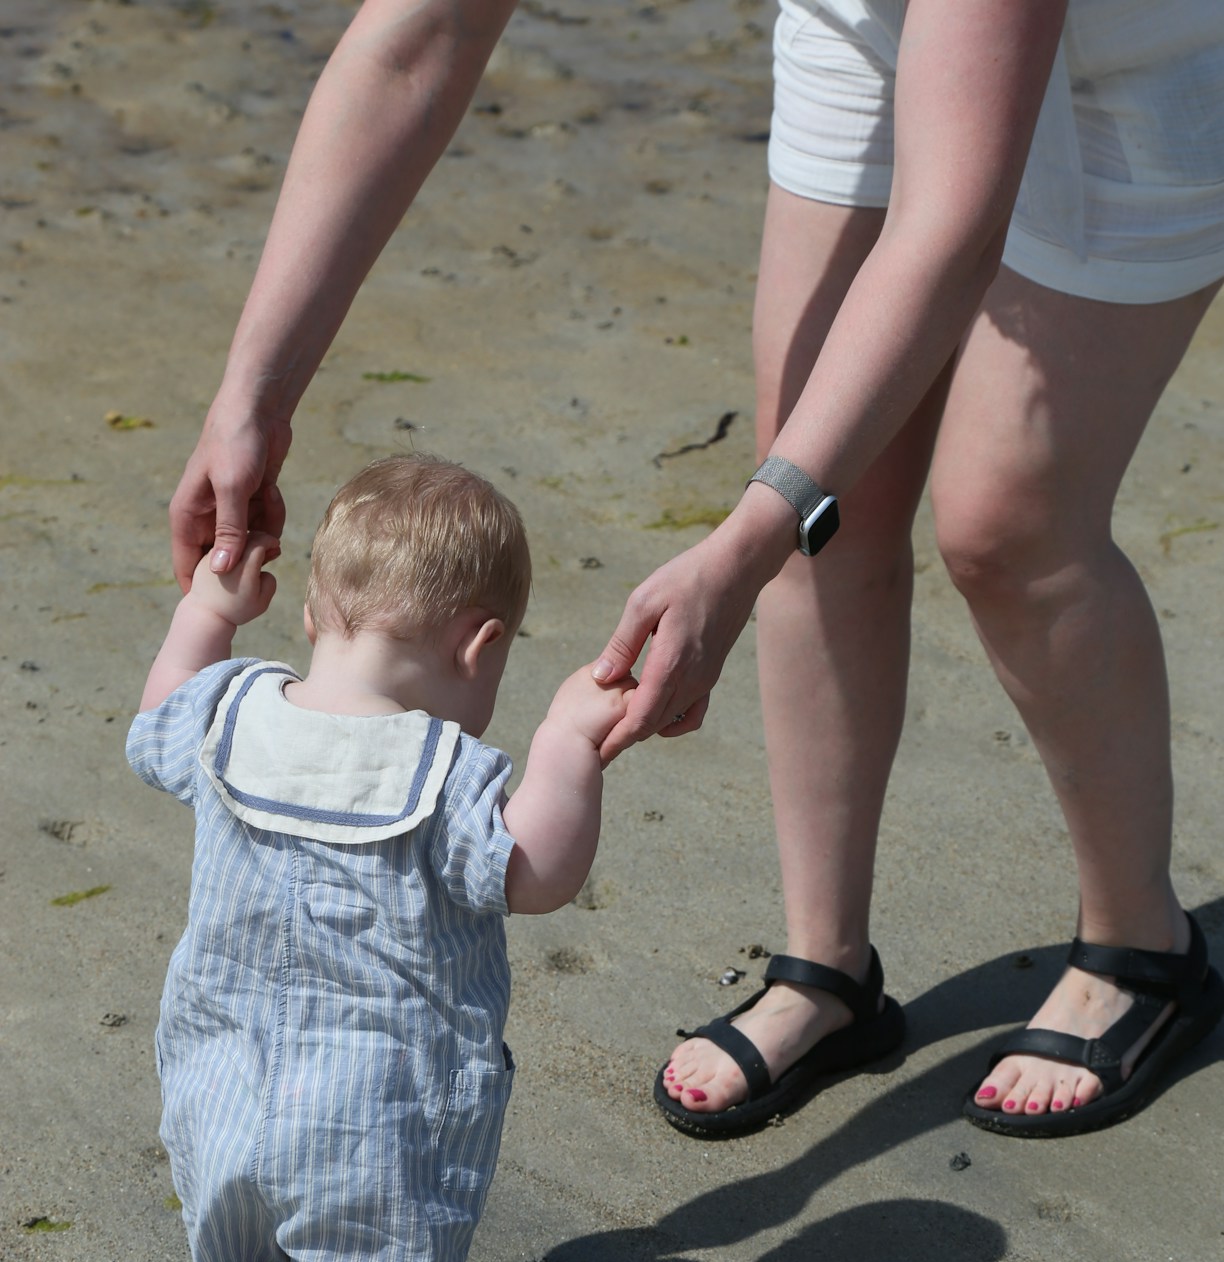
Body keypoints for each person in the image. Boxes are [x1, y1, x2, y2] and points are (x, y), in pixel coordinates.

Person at [169, 0, 1224, 1143]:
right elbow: (417, 38)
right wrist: (253, 391)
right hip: (870, 19)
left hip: (1139, 52)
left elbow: (951, 226)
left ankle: (1141, 944)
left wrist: (738, 548)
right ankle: (829, 969)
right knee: (828, 492)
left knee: (1007, 523)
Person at [130, 454, 633, 1262]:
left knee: (233, 1210)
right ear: (482, 644)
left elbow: (154, 716)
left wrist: (209, 610)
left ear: (312, 611)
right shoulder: (448, 778)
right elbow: (536, 877)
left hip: (219, 1067)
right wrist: (566, 746)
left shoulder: (226, 710)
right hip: (380, 1112)